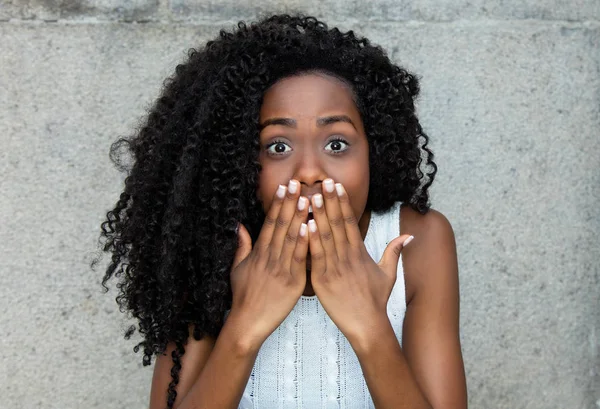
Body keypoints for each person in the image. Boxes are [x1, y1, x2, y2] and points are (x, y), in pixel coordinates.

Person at [97, 13, 467, 409]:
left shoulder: (418, 241)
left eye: (337, 144)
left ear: (374, 150)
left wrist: (369, 326)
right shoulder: (214, 244)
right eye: (278, 146)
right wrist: (246, 324)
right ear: (238, 161)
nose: (309, 171)